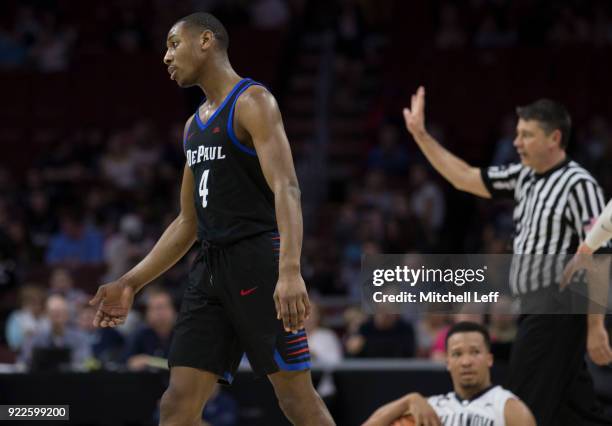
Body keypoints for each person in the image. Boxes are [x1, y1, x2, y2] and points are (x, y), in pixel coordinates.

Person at [89, 12, 334, 426]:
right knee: (176, 404)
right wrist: (131, 281)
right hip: (209, 269)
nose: (166, 57)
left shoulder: (253, 102)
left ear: (205, 41)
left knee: (296, 400)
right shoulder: (192, 126)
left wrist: (290, 270)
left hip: (259, 262)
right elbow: (188, 222)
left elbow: (288, 189)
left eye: (173, 44)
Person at [403, 86, 612, 425]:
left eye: (526, 135)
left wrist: (596, 325)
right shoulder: (523, 176)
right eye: (517, 134)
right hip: (534, 309)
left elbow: (599, 255)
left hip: (556, 306)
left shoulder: (579, 184)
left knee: (521, 406)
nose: (516, 142)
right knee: (574, 409)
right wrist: (422, 136)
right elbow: (466, 178)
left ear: (554, 138)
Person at [363, 322, 536, 426]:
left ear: (489, 359)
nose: (466, 361)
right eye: (457, 354)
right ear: (448, 362)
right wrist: (408, 400)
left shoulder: (508, 406)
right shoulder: (431, 407)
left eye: (475, 352)